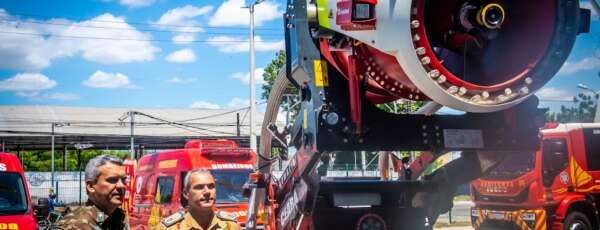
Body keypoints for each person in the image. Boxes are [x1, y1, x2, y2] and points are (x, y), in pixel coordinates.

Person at [56, 154, 129, 230]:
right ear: (90, 186)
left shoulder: (117, 217)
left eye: (124, 180)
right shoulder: (75, 226)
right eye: (112, 180)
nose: (121, 185)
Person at [155, 169, 241, 230]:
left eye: (211, 186)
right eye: (199, 187)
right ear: (186, 194)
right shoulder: (168, 228)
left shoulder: (231, 225)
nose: (207, 192)